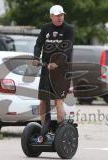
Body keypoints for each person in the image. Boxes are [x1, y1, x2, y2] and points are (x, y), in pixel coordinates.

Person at [33, 4, 74, 143]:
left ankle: (61, 129)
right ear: (51, 16)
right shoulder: (46, 28)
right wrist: (35, 57)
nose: (60, 17)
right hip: (46, 69)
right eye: (57, 15)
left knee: (58, 101)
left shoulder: (69, 29)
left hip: (62, 71)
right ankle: (44, 129)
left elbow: (67, 49)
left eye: (61, 15)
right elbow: (38, 44)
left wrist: (58, 62)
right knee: (43, 101)